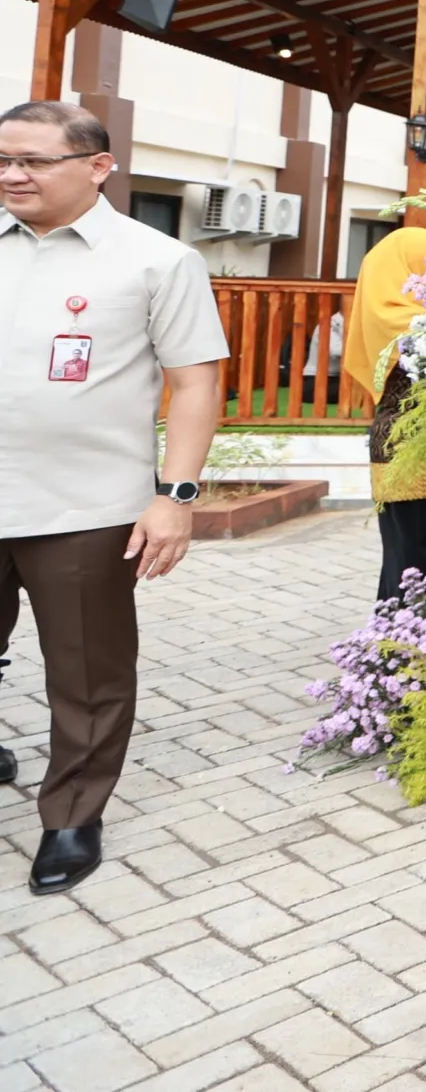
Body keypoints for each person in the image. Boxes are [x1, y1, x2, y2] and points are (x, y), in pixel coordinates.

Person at [0, 100, 227, 895]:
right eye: (2, 159)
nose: (12, 174)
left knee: (87, 673)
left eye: (32, 160)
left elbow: (196, 379)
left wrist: (177, 495)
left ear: (98, 166)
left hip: (85, 510)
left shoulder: (156, 260)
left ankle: (70, 813)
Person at [345, 226, 426, 603]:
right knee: (416, 554)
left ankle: (417, 638)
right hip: (410, 451)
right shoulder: (403, 319)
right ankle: (412, 642)